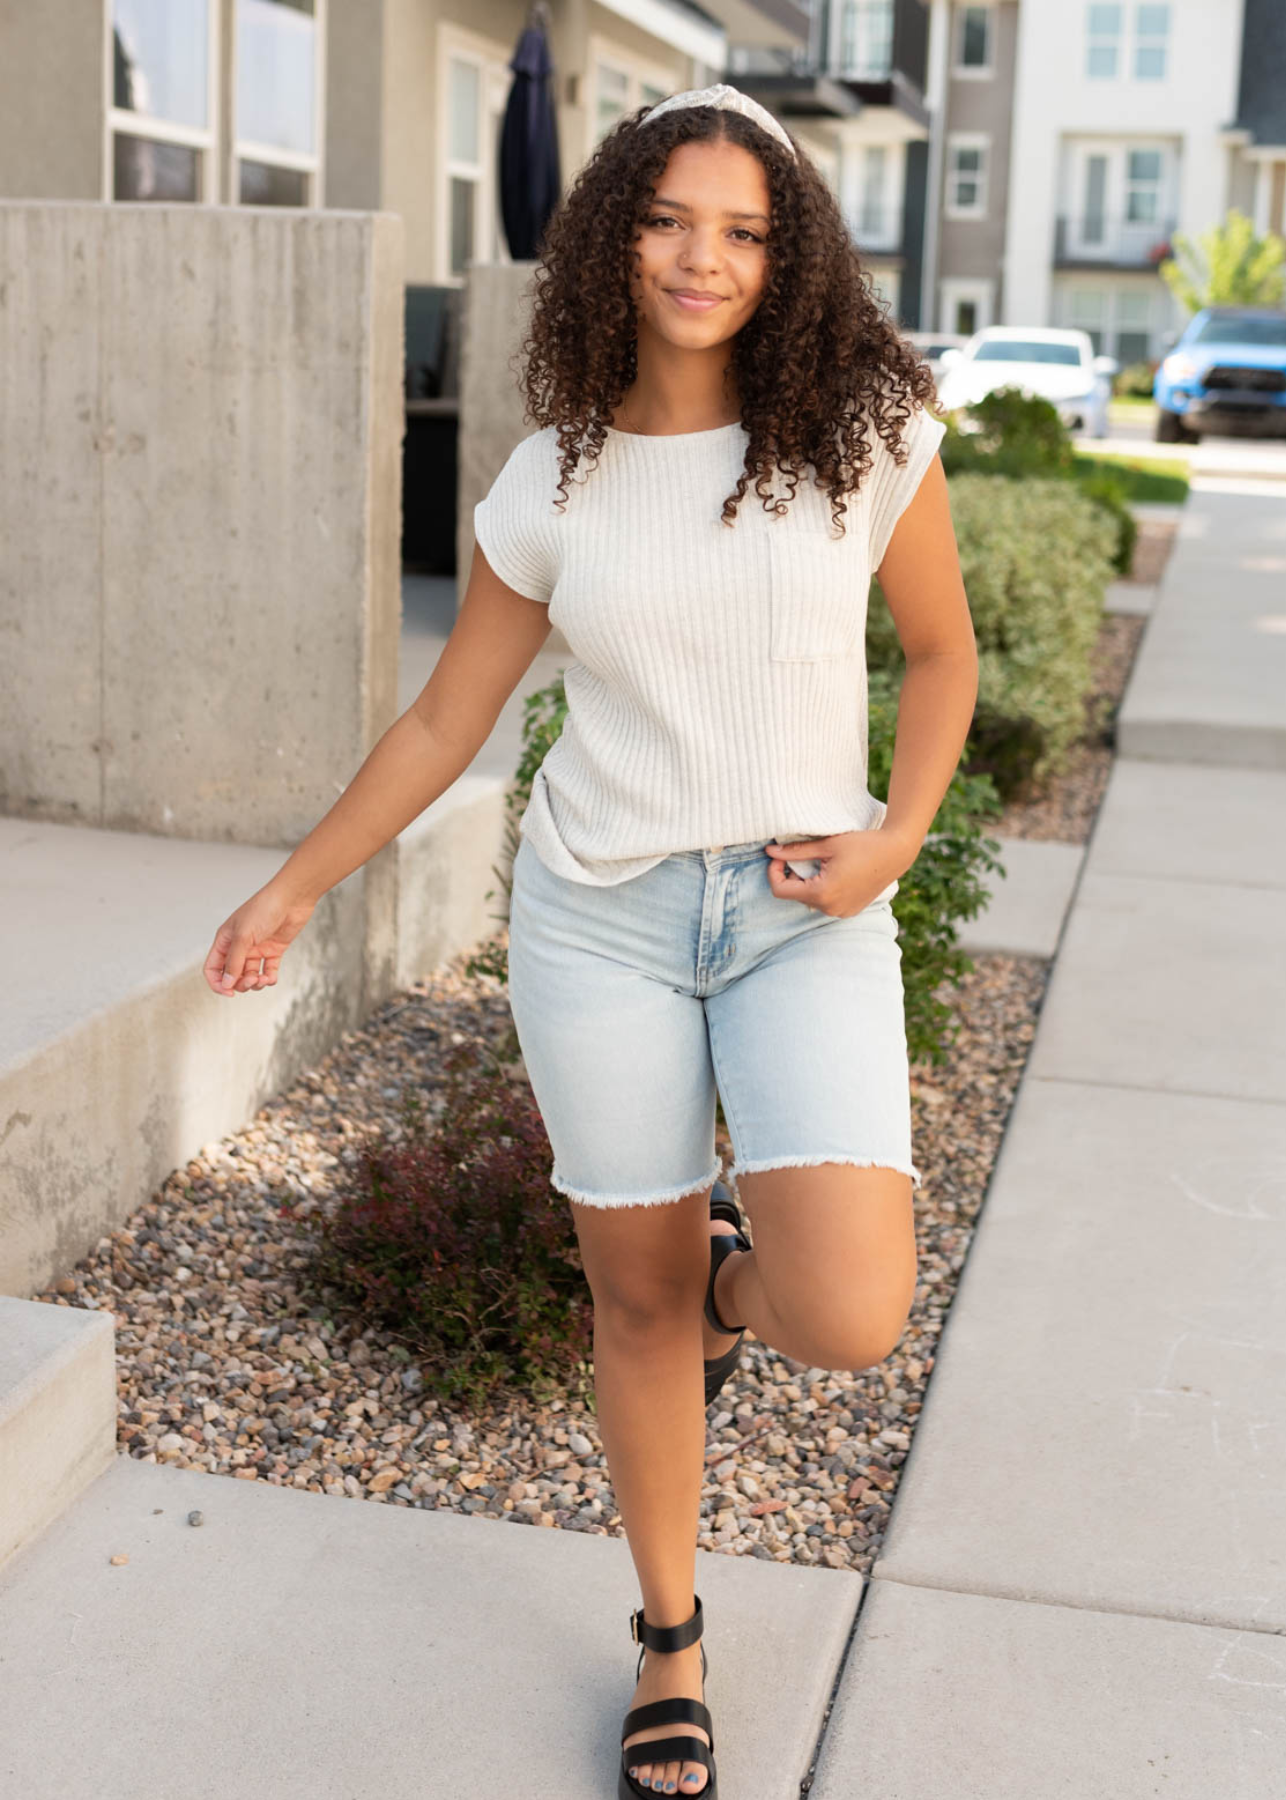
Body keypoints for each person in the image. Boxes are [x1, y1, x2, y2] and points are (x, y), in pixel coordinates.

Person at [203, 81, 977, 1800]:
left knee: (845, 1313)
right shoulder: (551, 478)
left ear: (792, 261)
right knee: (625, 1317)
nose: (703, 258)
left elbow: (940, 657)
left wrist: (895, 842)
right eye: (668, 219)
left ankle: (722, 1273)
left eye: (746, 230)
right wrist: (294, 884)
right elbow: (441, 725)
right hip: (601, 922)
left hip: (798, 913)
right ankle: (670, 1637)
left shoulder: (864, 430)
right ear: (614, 232)